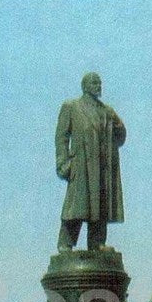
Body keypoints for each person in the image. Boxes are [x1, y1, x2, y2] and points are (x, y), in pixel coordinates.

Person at [55, 72, 126, 252]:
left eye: (100, 83)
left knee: (100, 206)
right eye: (94, 83)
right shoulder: (72, 107)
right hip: (81, 163)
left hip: (102, 166)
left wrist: (114, 120)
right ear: (85, 86)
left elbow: (121, 135)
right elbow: (61, 137)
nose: (98, 86)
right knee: (76, 206)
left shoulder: (105, 110)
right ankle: (66, 243)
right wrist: (63, 162)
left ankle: (97, 243)